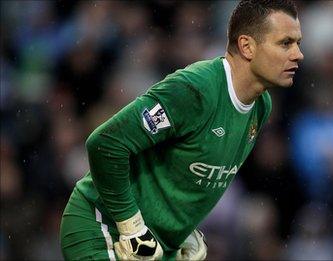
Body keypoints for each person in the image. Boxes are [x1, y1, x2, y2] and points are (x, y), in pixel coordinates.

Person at [59, 0, 303, 260]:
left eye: (298, 43)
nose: (298, 54)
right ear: (247, 46)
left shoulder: (261, 106)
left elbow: (192, 172)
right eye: (285, 43)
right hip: (103, 227)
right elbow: (105, 144)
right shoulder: (194, 90)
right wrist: (131, 225)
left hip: (154, 242)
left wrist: (181, 231)